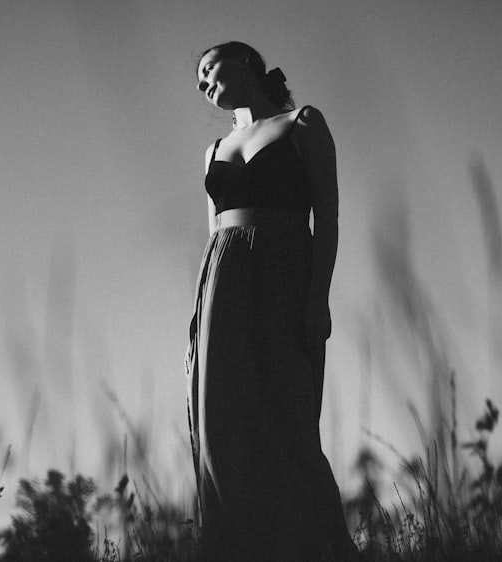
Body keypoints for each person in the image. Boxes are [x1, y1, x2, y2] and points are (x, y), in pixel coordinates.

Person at [184, 41, 358, 560]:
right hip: (221, 282)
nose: (201, 83)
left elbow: (326, 217)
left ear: (244, 63)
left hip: (285, 271)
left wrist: (317, 298)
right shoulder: (213, 149)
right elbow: (211, 232)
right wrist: (198, 319)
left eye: (207, 68)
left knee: (290, 420)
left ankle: (331, 547)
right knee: (221, 425)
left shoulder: (303, 123)